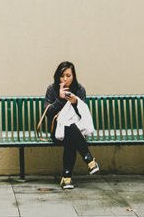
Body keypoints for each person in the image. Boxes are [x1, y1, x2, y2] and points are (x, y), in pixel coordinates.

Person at [44, 60, 100, 190]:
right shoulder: (52, 89)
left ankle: (66, 178)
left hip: (76, 130)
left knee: (70, 131)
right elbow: (48, 113)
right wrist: (59, 99)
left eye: (68, 76)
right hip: (56, 131)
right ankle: (88, 159)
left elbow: (83, 116)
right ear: (58, 77)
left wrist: (75, 102)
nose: (65, 79)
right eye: (62, 76)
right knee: (69, 129)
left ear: (73, 76)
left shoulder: (79, 90)